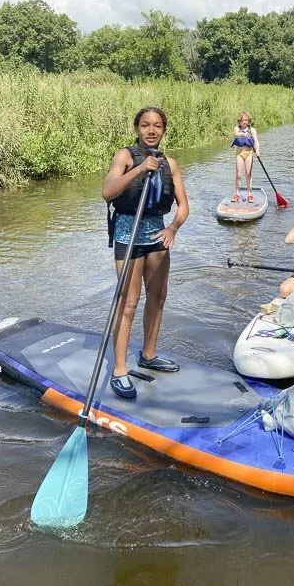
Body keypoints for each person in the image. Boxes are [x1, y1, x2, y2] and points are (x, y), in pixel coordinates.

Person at [102, 107, 189, 399]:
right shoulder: (124, 156)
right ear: (137, 128)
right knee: (128, 303)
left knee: (158, 297)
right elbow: (108, 192)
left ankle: (148, 355)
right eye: (145, 125)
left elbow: (184, 206)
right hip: (128, 233)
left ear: (164, 130)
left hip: (156, 233)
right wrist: (140, 169)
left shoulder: (171, 163)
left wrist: (173, 228)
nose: (151, 131)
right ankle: (119, 370)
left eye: (157, 126)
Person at [231, 111, 259, 203]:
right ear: (240, 121)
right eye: (242, 120)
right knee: (239, 175)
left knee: (248, 174)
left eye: (246, 120)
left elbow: (256, 142)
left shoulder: (252, 130)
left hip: (249, 153)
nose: (244, 122)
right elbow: (235, 134)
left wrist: (257, 151)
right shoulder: (237, 128)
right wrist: (243, 134)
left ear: (248, 121)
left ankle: (250, 194)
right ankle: (237, 194)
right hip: (239, 153)